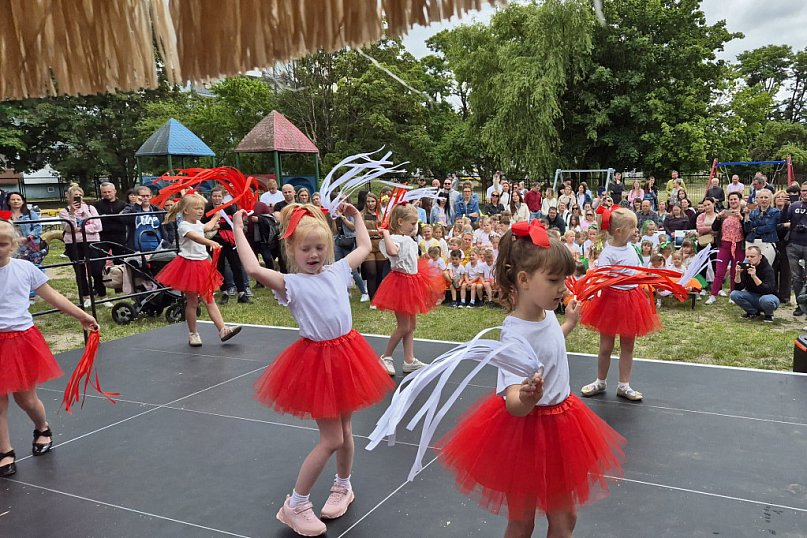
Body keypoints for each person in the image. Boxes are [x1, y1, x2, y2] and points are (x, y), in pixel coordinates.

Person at [436, 223, 624, 537]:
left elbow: (548, 348)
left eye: (563, 279)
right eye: (553, 280)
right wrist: (526, 396)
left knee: (565, 520)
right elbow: (512, 401)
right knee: (523, 522)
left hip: (563, 425)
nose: (563, 287)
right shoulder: (513, 334)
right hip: (527, 432)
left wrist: (568, 324)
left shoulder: (546, 312)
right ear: (523, 280)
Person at [233, 203, 394, 536]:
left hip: (347, 355)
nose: (313, 254)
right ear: (292, 249)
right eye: (305, 248)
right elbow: (252, 268)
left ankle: (343, 486)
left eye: (320, 247)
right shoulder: (290, 284)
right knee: (332, 438)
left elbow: (364, 247)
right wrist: (237, 227)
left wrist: (359, 218)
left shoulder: (337, 271)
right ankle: (295, 504)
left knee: (347, 430)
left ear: (329, 248)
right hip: (318, 363)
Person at [0, 219, 98, 478]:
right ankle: (4, 450)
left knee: (25, 398)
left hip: (19, 341)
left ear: (13, 246)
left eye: (2, 244)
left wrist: (81, 316)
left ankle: (42, 427)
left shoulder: (25, 269)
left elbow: (53, 296)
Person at [580, 208, 657, 401]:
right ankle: (600, 381)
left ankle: (624, 385)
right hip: (611, 302)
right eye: (632, 227)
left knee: (628, 346)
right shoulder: (608, 252)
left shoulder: (631, 247)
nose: (636, 231)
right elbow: (603, 277)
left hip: (631, 300)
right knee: (606, 346)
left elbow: (634, 270)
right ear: (619, 232)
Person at [156, 193, 242, 346]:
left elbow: (207, 227)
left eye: (202, 209)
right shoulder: (183, 226)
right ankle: (193, 333)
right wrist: (210, 242)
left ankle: (223, 329)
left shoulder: (197, 223)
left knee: (209, 299)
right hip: (188, 265)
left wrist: (216, 216)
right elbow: (195, 237)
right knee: (192, 302)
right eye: (196, 208)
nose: (200, 211)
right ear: (186, 211)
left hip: (202, 264)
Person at [373, 204, 444, 376]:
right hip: (401, 285)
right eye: (412, 224)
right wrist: (386, 233)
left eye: (416, 223)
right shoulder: (395, 239)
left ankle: (409, 360)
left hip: (412, 282)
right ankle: (386, 356)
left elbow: (409, 260)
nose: (415, 227)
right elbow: (392, 251)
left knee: (411, 325)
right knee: (404, 326)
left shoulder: (409, 239)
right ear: (400, 222)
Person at [59, 184, 105, 308]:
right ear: (68, 197)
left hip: (92, 241)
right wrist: (73, 214)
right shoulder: (64, 211)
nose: (77, 198)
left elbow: (98, 226)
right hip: (73, 243)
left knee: (96, 268)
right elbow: (69, 228)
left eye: (79, 195)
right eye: (75, 196)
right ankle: (85, 296)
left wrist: (82, 227)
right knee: (80, 270)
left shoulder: (90, 208)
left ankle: (101, 294)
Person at [204, 186, 251, 305]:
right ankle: (224, 292)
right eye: (214, 196)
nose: (217, 198)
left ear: (222, 197)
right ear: (211, 197)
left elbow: (234, 224)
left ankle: (241, 293)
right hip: (214, 242)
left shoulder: (229, 207)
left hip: (229, 242)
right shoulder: (207, 209)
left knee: (236, 265)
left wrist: (219, 226)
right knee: (219, 267)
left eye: (219, 196)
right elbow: (203, 224)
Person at [705, 192, 745, 304]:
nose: (733, 201)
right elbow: (714, 228)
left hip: (738, 246)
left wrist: (742, 218)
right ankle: (713, 294)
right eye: (731, 199)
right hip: (724, 245)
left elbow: (748, 229)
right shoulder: (724, 213)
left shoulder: (744, 213)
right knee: (719, 271)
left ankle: (733, 295)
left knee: (735, 272)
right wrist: (718, 217)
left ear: (739, 200)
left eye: (735, 199)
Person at [730, 245, 779, 322]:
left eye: (752, 257)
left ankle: (769, 314)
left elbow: (768, 290)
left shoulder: (767, 269)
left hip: (769, 297)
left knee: (765, 300)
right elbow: (738, 288)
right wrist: (738, 274)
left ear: (760, 257)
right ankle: (753, 312)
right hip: (753, 296)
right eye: (747, 256)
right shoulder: (746, 266)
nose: (749, 259)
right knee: (734, 294)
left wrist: (754, 276)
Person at [333, 202, 370, 302]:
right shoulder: (334, 214)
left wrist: (342, 217)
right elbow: (334, 230)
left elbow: (353, 227)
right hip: (337, 241)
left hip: (349, 241)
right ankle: (346, 291)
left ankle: (364, 292)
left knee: (351, 269)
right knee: (339, 268)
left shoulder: (349, 212)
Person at [121, 185, 168, 252]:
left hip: (157, 247)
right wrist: (137, 205)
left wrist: (168, 240)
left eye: (147, 196)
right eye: (142, 196)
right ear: (137, 197)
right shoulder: (130, 209)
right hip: (137, 247)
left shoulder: (158, 210)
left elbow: (168, 226)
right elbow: (125, 219)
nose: (145, 198)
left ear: (151, 196)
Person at [360, 192, 389, 301]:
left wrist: (374, 232)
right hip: (368, 246)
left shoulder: (382, 214)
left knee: (381, 273)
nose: (370, 204)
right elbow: (361, 230)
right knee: (371, 272)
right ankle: (373, 299)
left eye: (372, 201)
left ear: (376, 202)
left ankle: (379, 297)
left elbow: (386, 229)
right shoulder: (361, 214)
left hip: (381, 245)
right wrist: (375, 232)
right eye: (368, 201)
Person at [784, 181, 807, 316]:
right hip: (793, 245)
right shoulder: (794, 205)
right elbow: (785, 220)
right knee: (796, 277)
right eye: (803, 190)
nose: (805, 193)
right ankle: (800, 305)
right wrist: (785, 207)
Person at [93, 182, 128, 262]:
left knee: (120, 260)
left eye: (109, 192)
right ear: (101, 193)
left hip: (119, 235)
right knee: (99, 260)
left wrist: (107, 216)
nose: (107, 194)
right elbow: (98, 219)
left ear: (115, 191)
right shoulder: (97, 205)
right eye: (104, 192)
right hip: (103, 235)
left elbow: (123, 218)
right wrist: (116, 216)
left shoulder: (123, 205)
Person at [743, 189, 779, 267]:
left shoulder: (775, 212)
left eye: (766, 197)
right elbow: (747, 229)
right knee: (749, 268)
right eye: (761, 197)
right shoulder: (752, 212)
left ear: (770, 199)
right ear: (758, 199)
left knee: (766, 268)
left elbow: (769, 227)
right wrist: (746, 216)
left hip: (767, 241)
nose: (763, 199)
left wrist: (755, 228)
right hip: (751, 242)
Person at [7, 193, 44, 265]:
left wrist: (28, 237)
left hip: (30, 246)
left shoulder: (31, 214)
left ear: (23, 201)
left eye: (18, 199)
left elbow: (38, 228)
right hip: (13, 246)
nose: (16, 201)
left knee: (33, 266)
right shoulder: (4, 215)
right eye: (13, 199)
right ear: (8, 202)